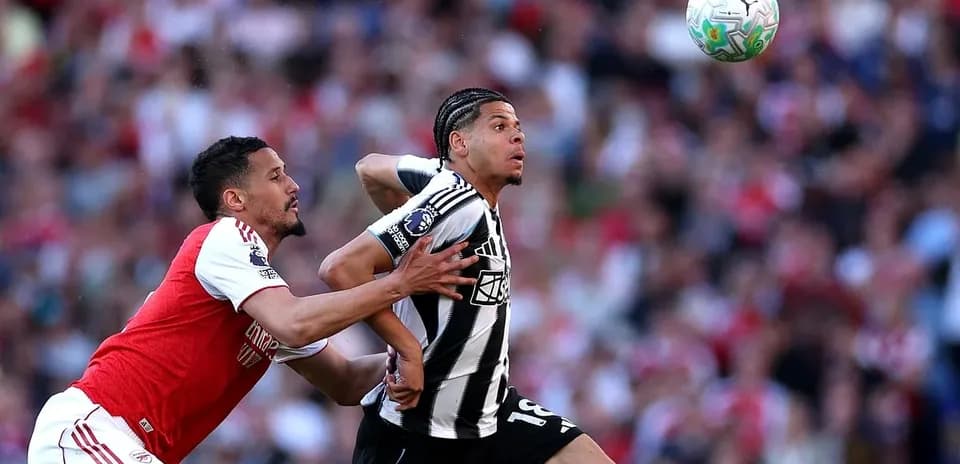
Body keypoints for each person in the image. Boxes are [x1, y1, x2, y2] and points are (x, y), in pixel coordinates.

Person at [27, 136, 478, 464]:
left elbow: (345, 380)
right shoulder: (224, 237)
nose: (294, 185)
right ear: (234, 199)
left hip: (127, 446)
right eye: (276, 176)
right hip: (93, 428)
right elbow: (295, 323)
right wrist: (400, 282)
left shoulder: (260, 296)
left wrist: (449, 350)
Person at [320, 88, 614, 463]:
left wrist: (419, 228)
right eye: (499, 126)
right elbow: (340, 268)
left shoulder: (459, 191)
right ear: (460, 142)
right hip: (422, 428)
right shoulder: (453, 202)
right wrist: (406, 348)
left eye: (518, 127)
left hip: (491, 410)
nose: (517, 135)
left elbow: (369, 167)